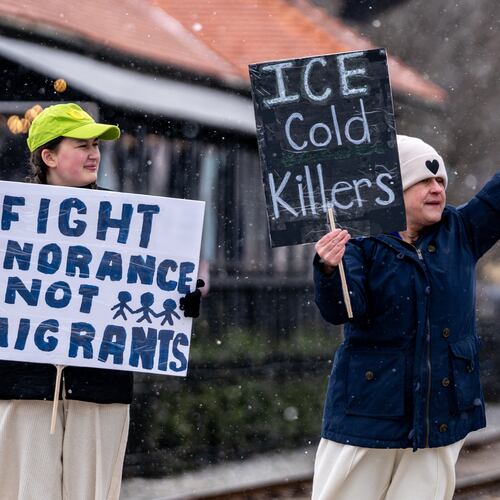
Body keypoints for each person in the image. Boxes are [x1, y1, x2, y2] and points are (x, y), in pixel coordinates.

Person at [0, 103, 202, 500]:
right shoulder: (11, 219)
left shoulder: (131, 221)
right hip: (21, 386)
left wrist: (180, 301)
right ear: (49, 156)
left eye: (96, 145)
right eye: (82, 145)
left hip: (99, 389)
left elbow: (152, 295)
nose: (94, 153)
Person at [311, 134, 500, 500]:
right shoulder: (357, 240)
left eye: (440, 181)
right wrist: (329, 269)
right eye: (423, 181)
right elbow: (340, 309)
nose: (436, 189)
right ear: (390, 188)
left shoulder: (461, 231)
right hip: (367, 414)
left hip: (439, 416)